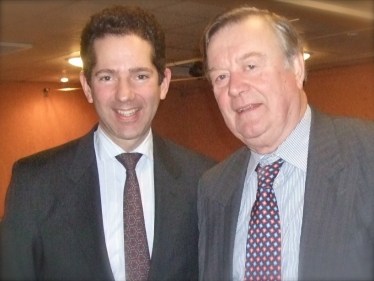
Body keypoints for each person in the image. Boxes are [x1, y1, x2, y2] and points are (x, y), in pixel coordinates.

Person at [0, 5, 215, 281]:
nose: (124, 94)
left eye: (140, 76)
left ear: (163, 83)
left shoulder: (204, 180)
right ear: (87, 87)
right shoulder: (35, 183)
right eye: (107, 77)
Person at [198, 6, 374, 281]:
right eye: (220, 76)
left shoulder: (366, 155)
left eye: (250, 66)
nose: (234, 87)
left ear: (296, 67)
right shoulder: (214, 188)